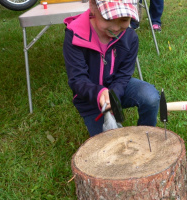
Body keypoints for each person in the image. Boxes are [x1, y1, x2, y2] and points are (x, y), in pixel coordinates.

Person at [63, 0, 160, 137]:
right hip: (90, 99)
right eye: (108, 18)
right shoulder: (75, 35)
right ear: (92, 6)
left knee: (150, 97)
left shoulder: (130, 37)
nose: (115, 28)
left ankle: (146, 136)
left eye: (124, 19)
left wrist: (113, 96)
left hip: (119, 87)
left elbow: (124, 75)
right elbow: (77, 79)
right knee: (108, 142)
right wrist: (100, 94)